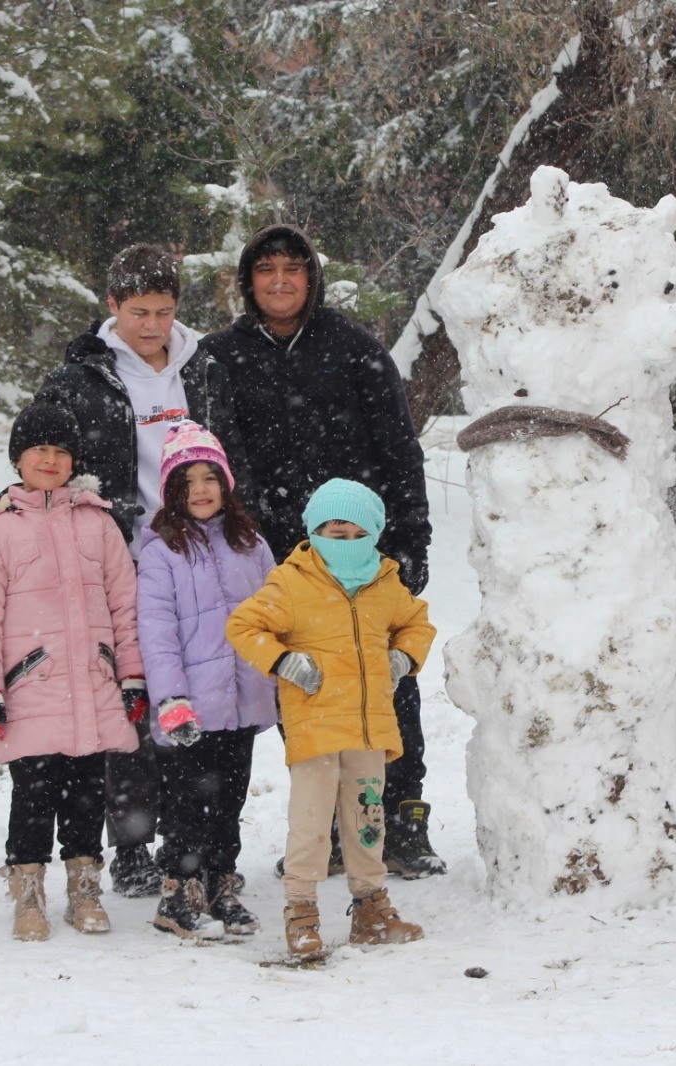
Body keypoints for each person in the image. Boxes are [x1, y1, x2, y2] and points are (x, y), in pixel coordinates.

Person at [200, 223, 442, 877]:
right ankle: (337, 828)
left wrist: (411, 539)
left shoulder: (355, 349)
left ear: (312, 278)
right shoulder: (220, 357)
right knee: (304, 691)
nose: (280, 280)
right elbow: (216, 458)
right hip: (281, 557)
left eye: (293, 268)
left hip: (363, 553)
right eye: (266, 269)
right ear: (248, 282)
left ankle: (401, 818)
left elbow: (398, 449)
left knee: (386, 684)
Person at [36, 243, 252, 898]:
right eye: (138, 312)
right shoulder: (81, 377)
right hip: (126, 557)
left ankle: (196, 842)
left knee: (198, 698)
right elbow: (46, 459)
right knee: (134, 701)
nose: (152, 325)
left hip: (203, 554)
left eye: (162, 311)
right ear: (111, 306)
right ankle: (131, 841)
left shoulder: (207, 368)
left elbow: (238, 448)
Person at [0, 403, 150, 941]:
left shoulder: (98, 523)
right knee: (33, 795)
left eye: (61, 451)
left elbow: (124, 608)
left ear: (74, 461)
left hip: (93, 683)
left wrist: (131, 676)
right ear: (18, 458)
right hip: (29, 688)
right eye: (38, 450)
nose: (49, 459)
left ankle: (85, 892)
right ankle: (28, 895)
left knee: (89, 793)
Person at [227, 478, 435, 959]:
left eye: (354, 535)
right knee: (311, 824)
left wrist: (404, 657)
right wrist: (283, 662)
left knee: (368, 820)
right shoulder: (292, 581)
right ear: (312, 533)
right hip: (317, 726)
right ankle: (301, 913)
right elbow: (244, 624)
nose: (343, 545)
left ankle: (370, 909)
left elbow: (416, 622)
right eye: (331, 534)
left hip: (368, 725)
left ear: (374, 534)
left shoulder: (385, 580)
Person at [136, 421, 279, 939]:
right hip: (189, 706)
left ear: (226, 484)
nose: (200, 490)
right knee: (186, 802)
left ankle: (221, 883)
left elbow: (274, 616)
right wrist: (171, 699)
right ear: (172, 490)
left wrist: (278, 679)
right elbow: (157, 632)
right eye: (188, 480)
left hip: (244, 698)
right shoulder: (161, 552)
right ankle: (179, 888)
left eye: (209, 478)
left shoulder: (251, 544)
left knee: (229, 799)